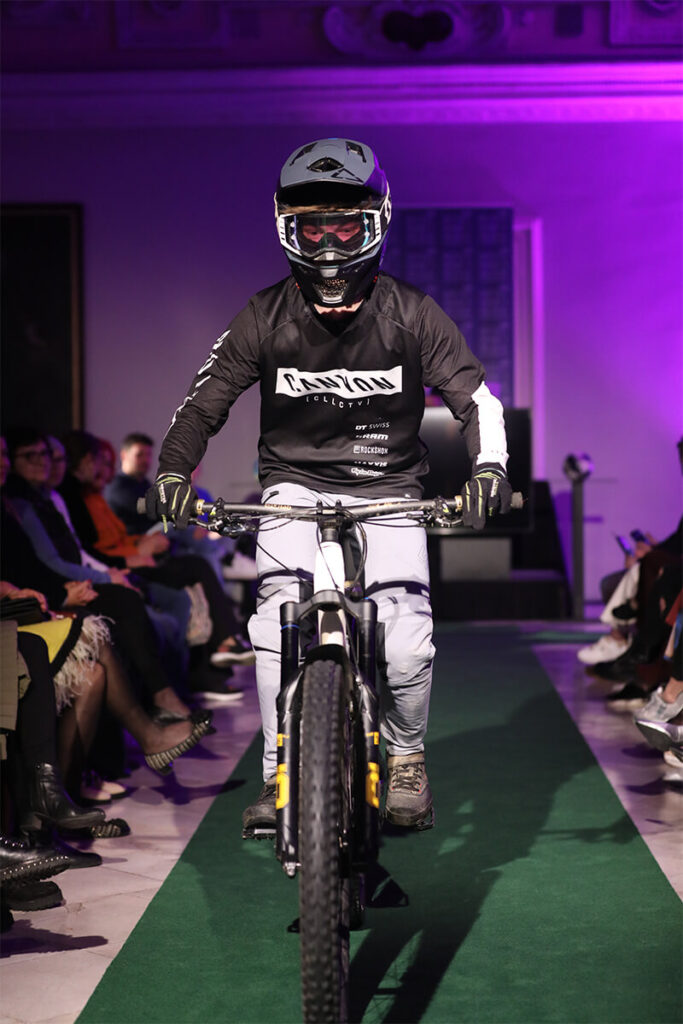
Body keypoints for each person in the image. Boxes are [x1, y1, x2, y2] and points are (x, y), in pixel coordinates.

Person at [145, 137, 512, 831]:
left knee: (406, 641)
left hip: (390, 489)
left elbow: (476, 401)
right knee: (273, 629)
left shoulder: (413, 312)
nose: (329, 244)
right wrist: (171, 470)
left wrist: (489, 468)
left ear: (378, 220)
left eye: (345, 225)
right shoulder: (262, 315)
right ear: (287, 227)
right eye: (313, 227)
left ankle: (407, 759)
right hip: (293, 489)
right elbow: (201, 405)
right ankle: (277, 773)